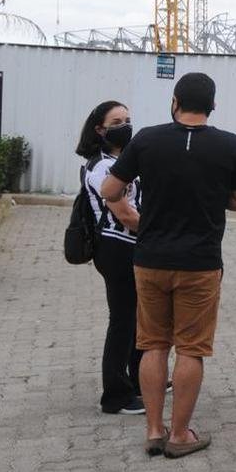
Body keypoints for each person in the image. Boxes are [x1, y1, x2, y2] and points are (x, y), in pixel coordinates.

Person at [101, 72, 236, 458]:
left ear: (175, 102)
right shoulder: (230, 145)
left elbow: (109, 190)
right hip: (200, 265)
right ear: (213, 106)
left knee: (152, 344)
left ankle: (154, 430)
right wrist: (208, 194)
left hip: (150, 259)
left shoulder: (147, 139)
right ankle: (181, 435)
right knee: (191, 349)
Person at [75, 100, 145, 416]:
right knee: (122, 321)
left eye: (128, 119)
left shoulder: (124, 161)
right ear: (100, 129)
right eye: (117, 121)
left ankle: (141, 379)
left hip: (131, 247)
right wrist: (162, 229)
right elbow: (125, 214)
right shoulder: (101, 167)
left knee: (136, 318)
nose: (125, 125)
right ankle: (115, 395)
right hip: (115, 249)